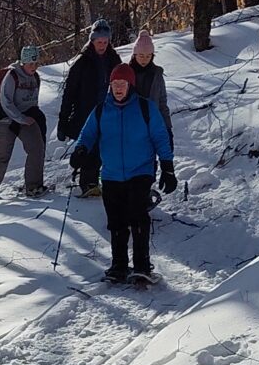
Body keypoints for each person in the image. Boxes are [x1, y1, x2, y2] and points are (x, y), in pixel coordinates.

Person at [70, 63, 172, 285]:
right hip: (111, 174)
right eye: (114, 84)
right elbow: (87, 134)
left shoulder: (145, 109)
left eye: (122, 84)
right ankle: (118, 266)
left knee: (137, 217)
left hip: (141, 171)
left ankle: (142, 266)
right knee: (116, 222)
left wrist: (167, 166)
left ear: (130, 85)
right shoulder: (100, 110)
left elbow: (160, 137)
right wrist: (80, 150)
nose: (118, 88)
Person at [0, 45, 46, 200]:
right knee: (1, 156)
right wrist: (20, 118)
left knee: (37, 149)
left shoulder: (36, 78)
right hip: (6, 119)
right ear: (23, 62)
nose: (33, 67)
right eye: (30, 64)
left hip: (26, 119)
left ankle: (34, 186)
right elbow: (6, 102)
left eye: (36, 64)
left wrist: (31, 116)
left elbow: (33, 100)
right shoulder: (12, 76)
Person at [57, 17, 117, 167]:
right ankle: (89, 184)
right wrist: (63, 122)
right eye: (99, 42)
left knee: (108, 150)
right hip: (85, 114)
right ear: (92, 41)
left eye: (105, 42)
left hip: (108, 112)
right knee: (89, 150)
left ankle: (108, 182)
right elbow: (69, 94)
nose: (102, 45)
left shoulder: (113, 59)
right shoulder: (81, 63)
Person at [128, 29, 178, 190]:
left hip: (152, 123)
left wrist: (167, 127)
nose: (144, 60)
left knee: (149, 161)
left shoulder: (157, 74)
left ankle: (145, 191)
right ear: (135, 55)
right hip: (131, 124)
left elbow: (162, 102)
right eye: (141, 56)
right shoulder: (127, 73)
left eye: (148, 56)